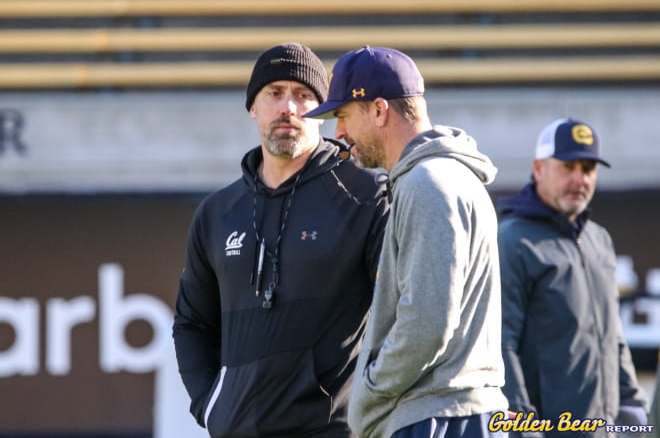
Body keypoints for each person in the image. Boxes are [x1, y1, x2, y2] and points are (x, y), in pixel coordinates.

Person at [172, 43, 389, 437]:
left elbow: (401, 313)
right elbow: (192, 324)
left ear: (323, 113)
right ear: (253, 107)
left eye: (303, 95)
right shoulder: (218, 212)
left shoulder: (367, 195)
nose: (288, 107)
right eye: (274, 94)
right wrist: (212, 407)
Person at [305, 45, 508, 438]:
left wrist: (370, 391)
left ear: (379, 110)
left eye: (343, 116)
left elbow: (427, 323)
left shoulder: (427, 183)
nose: (339, 134)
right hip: (456, 414)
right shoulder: (442, 176)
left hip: (437, 418)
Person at [497, 118, 648, 437]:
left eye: (589, 169)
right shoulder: (512, 241)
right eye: (568, 167)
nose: (580, 179)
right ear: (539, 169)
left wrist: (634, 412)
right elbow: (501, 345)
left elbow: (613, 336)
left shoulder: (599, 239)